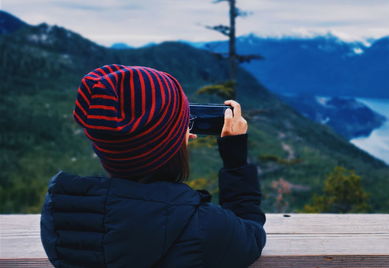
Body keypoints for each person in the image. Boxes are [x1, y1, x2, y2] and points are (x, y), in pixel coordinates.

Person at [40, 64, 266, 268]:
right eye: (184, 124)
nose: (188, 131)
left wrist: (171, 137)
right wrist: (235, 160)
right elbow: (251, 236)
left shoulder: (60, 215)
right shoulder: (203, 227)